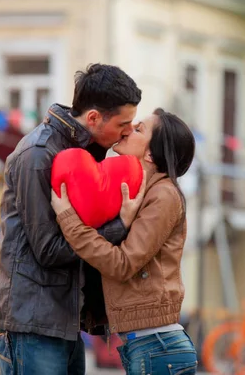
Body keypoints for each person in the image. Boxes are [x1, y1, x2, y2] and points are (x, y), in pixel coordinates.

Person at [0, 63, 145, 375]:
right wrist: (119, 226)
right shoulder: (38, 154)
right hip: (33, 321)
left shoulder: (87, 153)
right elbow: (49, 250)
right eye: (124, 123)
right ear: (93, 118)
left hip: (65, 320)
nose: (128, 131)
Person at [51, 108, 198, 375]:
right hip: (147, 345)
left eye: (139, 129)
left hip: (158, 346)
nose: (128, 129)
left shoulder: (163, 195)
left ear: (151, 153)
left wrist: (68, 218)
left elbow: (122, 264)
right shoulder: (139, 192)